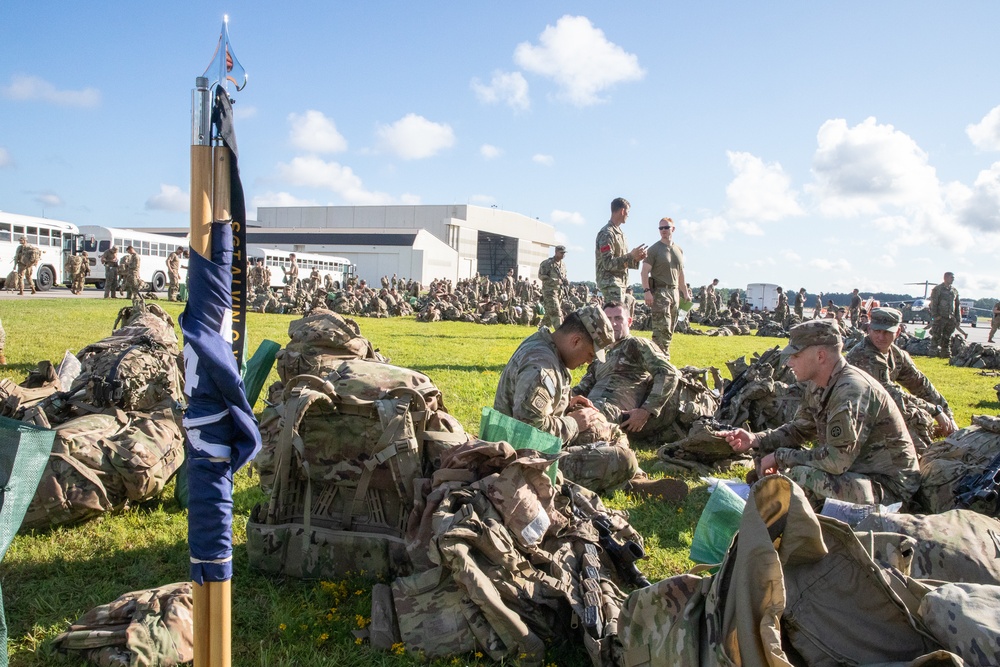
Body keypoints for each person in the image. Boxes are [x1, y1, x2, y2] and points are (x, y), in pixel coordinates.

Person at [722, 320, 920, 508]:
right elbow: (799, 429)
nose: (789, 363)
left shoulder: (850, 391)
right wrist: (755, 439)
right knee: (767, 452)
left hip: (889, 488)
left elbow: (836, 461)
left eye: (796, 356)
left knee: (803, 476)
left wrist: (781, 457)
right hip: (856, 472)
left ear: (820, 356)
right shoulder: (818, 384)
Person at [494, 305, 678, 498]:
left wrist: (567, 403)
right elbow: (529, 430)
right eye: (590, 354)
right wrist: (573, 423)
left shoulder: (546, 346)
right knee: (623, 458)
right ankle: (627, 481)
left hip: (531, 445)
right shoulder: (542, 368)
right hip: (522, 461)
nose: (589, 362)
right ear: (576, 341)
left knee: (608, 429)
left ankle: (633, 478)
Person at [846, 307, 957, 450]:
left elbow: (920, 384)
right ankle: (925, 455)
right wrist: (934, 410)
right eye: (877, 331)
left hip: (871, 409)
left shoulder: (897, 354)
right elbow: (890, 394)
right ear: (869, 329)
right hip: (851, 412)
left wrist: (947, 414)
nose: (881, 337)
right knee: (911, 415)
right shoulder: (865, 355)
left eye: (887, 332)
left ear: (898, 332)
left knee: (911, 413)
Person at [572, 301, 681, 440]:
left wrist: (646, 410)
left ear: (629, 321)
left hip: (613, 413)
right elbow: (583, 386)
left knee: (579, 432)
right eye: (608, 319)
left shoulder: (635, 344)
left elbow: (668, 373)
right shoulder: (601, 354)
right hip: (592, 407)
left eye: (618, 318)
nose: (613, 324)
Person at [640, 217, 689, 358]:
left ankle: (662, 356)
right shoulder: (654, 250)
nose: (663, 231)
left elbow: (680, 273)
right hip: (660, 292)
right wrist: (647, 291)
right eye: (660, 228)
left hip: (674, 292)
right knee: (662, 329)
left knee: (671, 328)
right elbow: (644, 272)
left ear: (673, 229)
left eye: (666, 227)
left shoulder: (678, 249)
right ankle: (659, 359)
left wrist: (685, 292)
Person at [595, 197, 646, 314]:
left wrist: (635, 258)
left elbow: (622, 262)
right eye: (628, 212)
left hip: (620, 283)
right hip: (611, 283)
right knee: (616, 318)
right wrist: (630, 255)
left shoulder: (620, 234)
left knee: (619, 318)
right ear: (622, 211)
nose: (628, 215)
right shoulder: (607, 233)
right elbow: (608, 263)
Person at [929, 272, 960, 358]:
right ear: (945, 278)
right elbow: (933, 303)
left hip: (950, 318)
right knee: (936, 336)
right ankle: (932, 354)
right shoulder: (938, 289)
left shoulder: (954, 291)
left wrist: (958, 318)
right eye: (951, 277)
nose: (953, 279)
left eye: (953, 278)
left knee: (947, 337)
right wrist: (935, 316)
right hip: (940, 317)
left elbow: (957, 305)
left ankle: (945, 354)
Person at [537, 245, 568, 328]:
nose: (563, 255)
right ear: (556, 252)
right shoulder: (547, 263)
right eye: (561, 253)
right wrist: (555, 281)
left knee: (549, 314)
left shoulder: (563, 265)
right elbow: (541, 276)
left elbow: (564, 277)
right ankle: (560, 334)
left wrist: (565, 281)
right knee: (556, 313)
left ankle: (541, 332)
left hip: (559, 292)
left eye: (564, 253)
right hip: (549, 292)